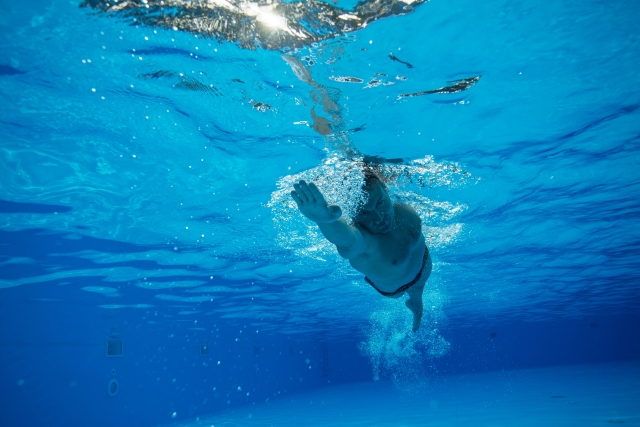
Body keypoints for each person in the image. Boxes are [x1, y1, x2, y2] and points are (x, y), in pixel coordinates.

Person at [291, 170, 432, 332]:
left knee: (418, 294)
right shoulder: (364, 242)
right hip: (395, 288)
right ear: (353, 214)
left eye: (380, 203)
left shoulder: (404, 210)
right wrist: (324, 221)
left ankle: (416, 304)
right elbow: (346, 240)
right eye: (364, 212)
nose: (379, 217)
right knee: (410, 292)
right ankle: (415, 304)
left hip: (424, 268)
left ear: (386, 191)